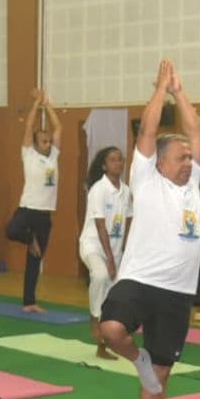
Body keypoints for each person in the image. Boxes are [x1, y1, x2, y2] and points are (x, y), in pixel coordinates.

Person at [97, 59, 200, 399]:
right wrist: (160, 90)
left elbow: (194, 130)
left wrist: (181, 92)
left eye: (190, 158)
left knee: (162, 370)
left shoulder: (193, 183)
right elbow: (147, 130)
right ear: (159, 161)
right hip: (140, 279)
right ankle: (135, 358)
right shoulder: (144, 178)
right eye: (181, 157)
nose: (188, 163)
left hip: (178, 291)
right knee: (111, 328)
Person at [5, 89, 62, 313]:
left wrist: (48, 105)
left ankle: (29, 302)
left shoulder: (54, 157)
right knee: (11, 230)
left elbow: (59, 128)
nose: (47, 144)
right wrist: (36, 103)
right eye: (43, 141)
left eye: (49, 141)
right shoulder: (29, 155)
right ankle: (31, 240)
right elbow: (28, 128)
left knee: (34, 261)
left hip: (45, 214)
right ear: (36, 144)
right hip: (28, 208)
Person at [78, 146, 132, 360]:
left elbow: (129, 222)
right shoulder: (98, 190)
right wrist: (109, 259)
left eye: (120, 159)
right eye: (112, 160)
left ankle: (104, 344)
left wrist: (125, 253)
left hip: (115, 250)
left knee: (113, 296)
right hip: (93, 246)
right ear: (104, 165)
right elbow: (100, 227)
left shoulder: (126, 191)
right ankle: (94, 320)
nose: (118, 163)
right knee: (100, 275)